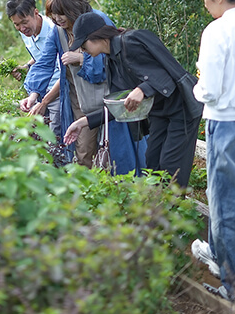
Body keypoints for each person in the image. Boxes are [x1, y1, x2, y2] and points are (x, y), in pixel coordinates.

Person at [64, 11, 202, 187]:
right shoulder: (110, 60)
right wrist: (83, 122)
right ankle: (156, 209)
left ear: (95, 37)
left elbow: (168, 74)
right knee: (152, 163)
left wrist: (142, 89)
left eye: (83, 44)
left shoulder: (131, 41)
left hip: (181, 107)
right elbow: (120, 106)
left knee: (170, 165)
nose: (82, 50)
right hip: (159, 112)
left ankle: (172, 210)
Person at [21, 0, 146, 171]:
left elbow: (115, 58)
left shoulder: (97, 20)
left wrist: (81, 58)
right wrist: (34, 94)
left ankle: (124, 192)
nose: (57, 19)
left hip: (109, 97)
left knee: (116, 151)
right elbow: (44, 62)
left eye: (60, 13)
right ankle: (86, 193)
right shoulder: (59, 31)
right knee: (83, 151)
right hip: (79, 101)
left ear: (72, 8)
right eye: (53, 14)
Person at [191, 0, 235, 304]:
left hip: (228, 124)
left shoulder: (218, 30)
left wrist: (197, 86)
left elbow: (209, 90)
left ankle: (233, 286)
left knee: (226, 206)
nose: (207, 7)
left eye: (206, 0)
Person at [5, 0, 61, 138]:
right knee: (38, 135)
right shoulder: (27, 33)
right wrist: (26, 67)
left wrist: (44, 101)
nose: (22, 28)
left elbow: (63, 69)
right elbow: (40, 57)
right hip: (40, 90)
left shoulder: (54, 30)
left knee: (55, 136)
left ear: (36, 13)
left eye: (24, 22)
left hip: (58, 91)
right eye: (16, 24)